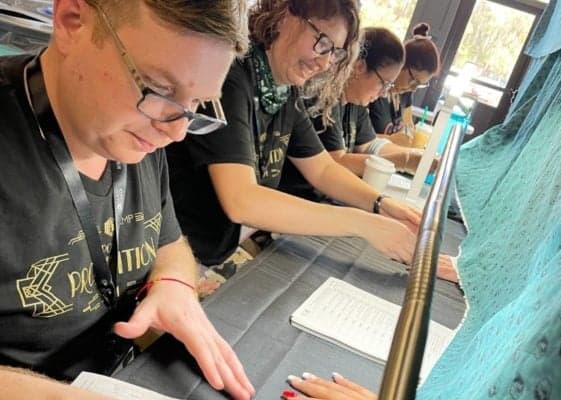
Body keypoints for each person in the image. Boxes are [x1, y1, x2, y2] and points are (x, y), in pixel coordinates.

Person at [0, 0, 255, 399]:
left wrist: (174, 283)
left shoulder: (140, 132)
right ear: (72, 22)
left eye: (197, 104)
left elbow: (169, 242)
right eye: (159, 89)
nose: (176, 133)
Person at [166, 0, 429, 272]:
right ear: (285, 15)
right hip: (177, 258)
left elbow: (323, 169)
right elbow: (241, 200)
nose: (325, 63)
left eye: (334, 53)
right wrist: (362, 223)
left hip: (215, 250)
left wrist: (382, 205)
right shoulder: (232, 77)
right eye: (322, 42)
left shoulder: (283, 90)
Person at [278, 27, 434, 202]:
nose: (384, 93)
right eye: (383, 83)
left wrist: (414, 156)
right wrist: (405, 160)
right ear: (359, 66)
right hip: (298, 198)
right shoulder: (324, 98)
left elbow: (369, 145)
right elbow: (335, 162)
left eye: (388, 86)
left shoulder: (355, 102)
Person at [369, 23, 441, 145]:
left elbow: (409, 126)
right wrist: (392, 140)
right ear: (402, 64)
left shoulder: (405, 92)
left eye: (420, 85)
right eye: (414, 81)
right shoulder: (374, 91)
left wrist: (406, 134)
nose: (413, 89)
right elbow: (359, 138)